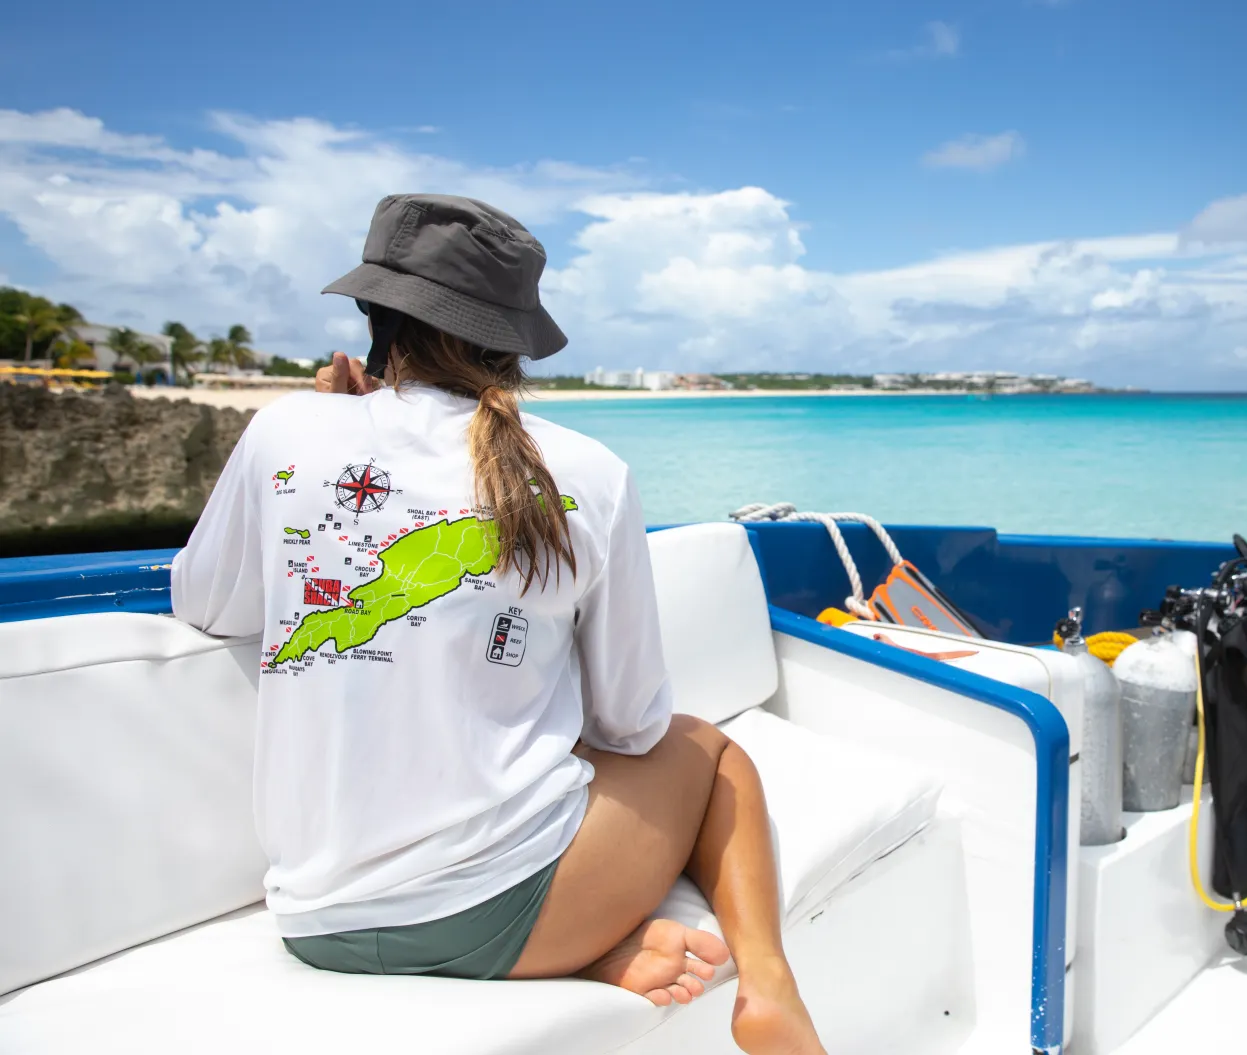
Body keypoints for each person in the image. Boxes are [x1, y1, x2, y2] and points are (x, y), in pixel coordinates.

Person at [170, 193, 826, 1055]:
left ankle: (590, 952)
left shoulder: (284, 431)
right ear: (515, 337)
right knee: (713, 752)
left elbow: (209, 604)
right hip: (504, 911)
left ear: (374, 313)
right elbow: (632, 726)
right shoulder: (588, 471)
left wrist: (336, 427)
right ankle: (770, 986)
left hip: (314, 919)